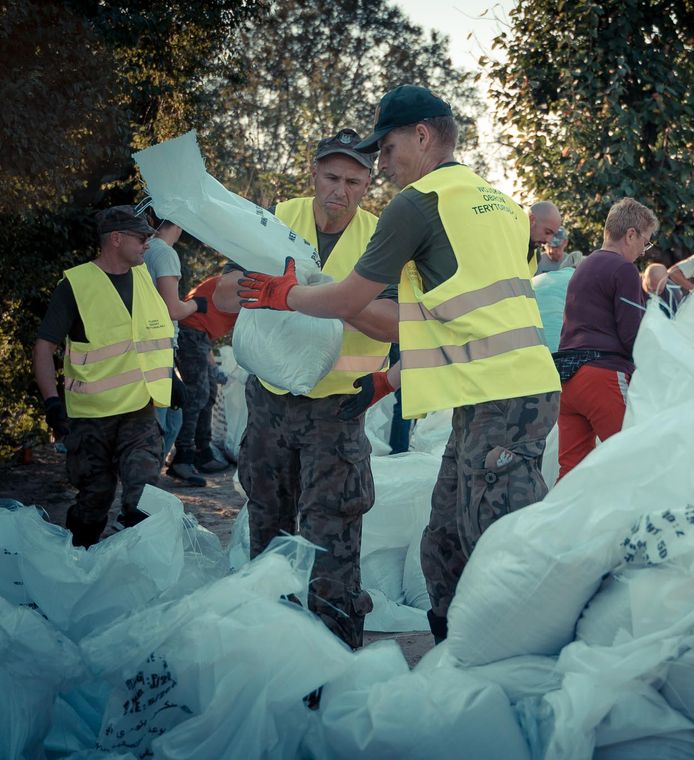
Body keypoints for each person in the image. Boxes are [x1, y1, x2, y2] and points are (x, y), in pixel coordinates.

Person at [234, 85, 561, 645]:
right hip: (492, 396)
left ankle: (528, 661)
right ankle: (456, 662)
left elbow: (345, 302)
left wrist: (283, 294)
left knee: (499, 540)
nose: (380, 164)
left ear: (423, 136)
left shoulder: (418, 204)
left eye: (385, 149)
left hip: (505, 398)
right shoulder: (503, 205)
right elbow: (457, 310)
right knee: (443, 542)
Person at [214, 128, 398, 649]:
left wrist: (330, 297)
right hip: (270, 401)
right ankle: (268, 650)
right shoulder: (278, 220)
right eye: (331, 177)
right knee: (268, 528)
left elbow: (393, 323)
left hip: (338, 409)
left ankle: (334, 658)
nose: (339, 190)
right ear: (314, 174)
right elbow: (224, 295)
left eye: (353, 181)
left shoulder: (380, 237)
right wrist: (257, 287)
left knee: (332, 538)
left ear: (367, 186)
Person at [32, 207, 174, 547]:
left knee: (144, 494)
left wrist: (173, 379)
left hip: (138, 409)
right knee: (95, 499)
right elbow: (43, 347)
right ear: (116, 239)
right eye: (141, 238)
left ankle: (141, 568)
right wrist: (52, 402)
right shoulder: (76, 285)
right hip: (91, 418)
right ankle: (78, 562)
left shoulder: (142, 277)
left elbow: (147, 337)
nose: (147, 245)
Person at [555, 198, 657, 478]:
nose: (643, 251)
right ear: (631, 234)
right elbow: (631, 335)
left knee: (572, 472)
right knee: (631, 464)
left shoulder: (584, 267)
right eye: (645, 242)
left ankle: (562, 521)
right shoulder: (623, 269)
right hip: (602, 376)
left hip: (567, 379)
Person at [138, 202, 205, 485]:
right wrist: (197, 305)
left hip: (149, 345)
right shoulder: (165, 254)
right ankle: (144, 485)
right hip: (158, 347)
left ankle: (144, 480)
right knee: (164, 422)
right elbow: (173, 309)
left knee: (167, 419)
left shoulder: (145, 249)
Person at [170, 272, 237, 475]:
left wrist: (212, 366)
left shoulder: (238, 282)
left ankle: (202, 451)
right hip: (190, 333)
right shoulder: (244, 284)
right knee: (197, 395)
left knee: (208, 395)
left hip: (199, 336)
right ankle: (183, 456)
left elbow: (205, 328)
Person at [528, 200, 562, 273]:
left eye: (553, 234)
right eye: (547, 232)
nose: (549, 240)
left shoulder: (535, 255)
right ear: (531, 220)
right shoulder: (507, 244)